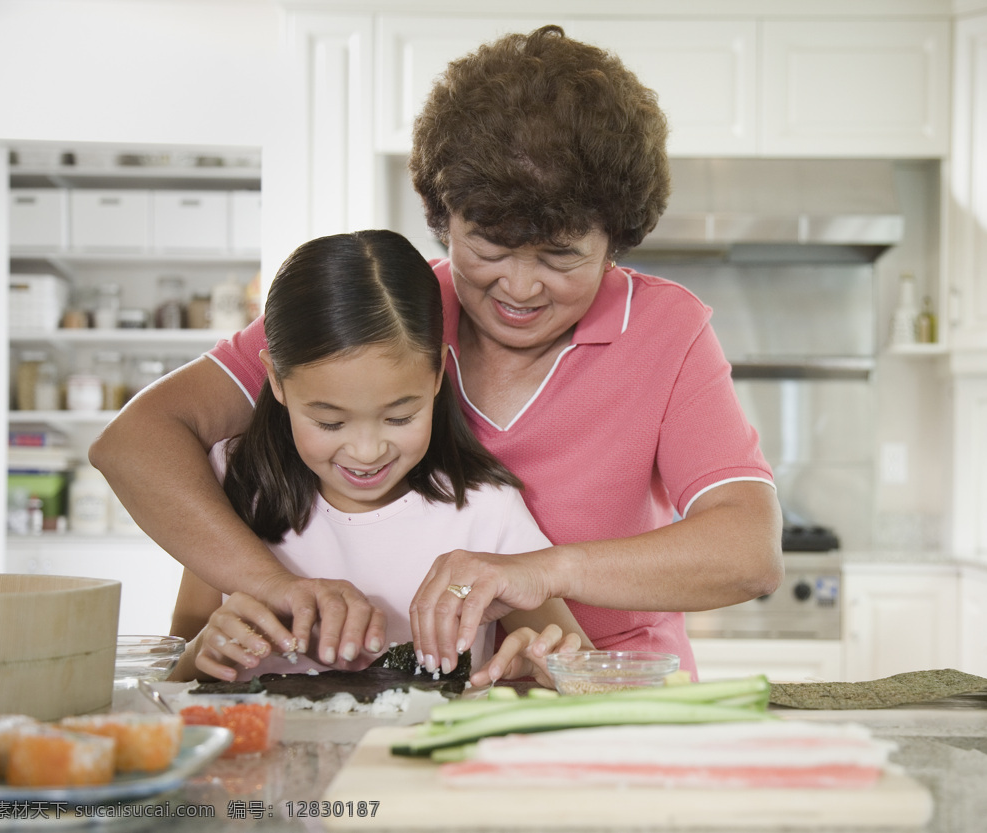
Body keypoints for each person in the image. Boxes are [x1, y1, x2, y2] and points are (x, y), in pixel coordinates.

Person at [91, 25, 784, 681]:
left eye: (560, 254)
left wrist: (540, 570)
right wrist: (276, 589)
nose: (518, 286)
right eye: (488, 245)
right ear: (442, 214)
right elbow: (137, 442)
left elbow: (749, 552)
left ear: (617, 239)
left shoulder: (667, 329)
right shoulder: (386, 314)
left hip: (610, 688)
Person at [165, 229, 587, 686]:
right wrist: (204, 649)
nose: (366, 453)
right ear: (277, 381)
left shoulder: (486, 509)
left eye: (400, 417)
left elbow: (580, 670)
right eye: (329, 423)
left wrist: (537, 668)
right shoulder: (232, 483)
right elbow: (173, 680)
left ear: (437, 375)